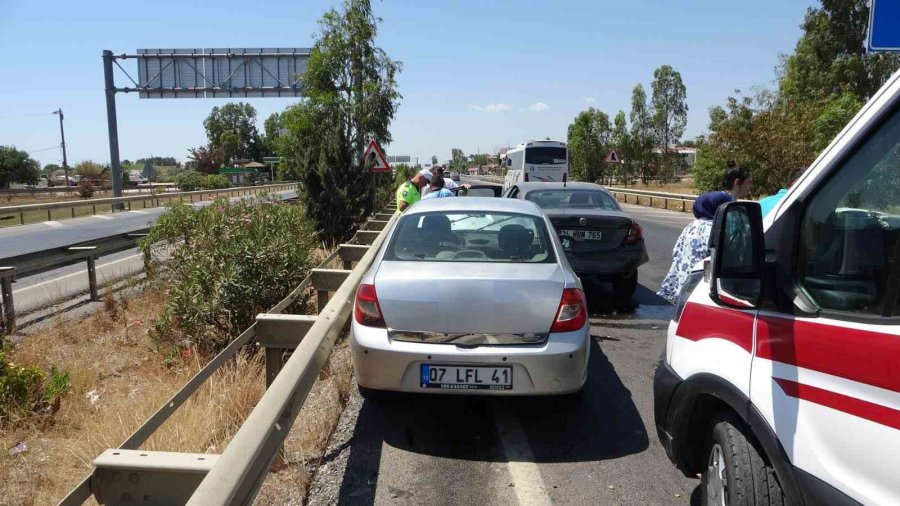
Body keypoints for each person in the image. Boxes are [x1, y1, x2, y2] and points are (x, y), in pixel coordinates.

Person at [657, 191, 735, 303]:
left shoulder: (692, 225)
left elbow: (676, 252)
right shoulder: (716, 229)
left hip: (683, 284)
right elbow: (715, 260)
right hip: (701, 287)